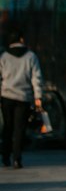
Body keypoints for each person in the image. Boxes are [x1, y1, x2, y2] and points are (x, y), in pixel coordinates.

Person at [0, 30, 44, 169]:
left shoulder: (4, 56)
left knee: (7, 126)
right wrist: (38, 97)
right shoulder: (31, 56)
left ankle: (5, 156)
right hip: (24, 96)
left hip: (6, 95)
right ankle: (17, 159)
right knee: (19, 128)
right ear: (22, 39)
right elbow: (36, 78)